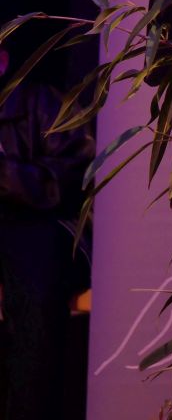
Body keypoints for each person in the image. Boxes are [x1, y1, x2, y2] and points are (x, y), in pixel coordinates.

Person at [0, 48, 95, 420]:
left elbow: (71, 178)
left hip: (43, 230)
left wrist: (5, 176)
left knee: (32, 267)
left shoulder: (43, 103)